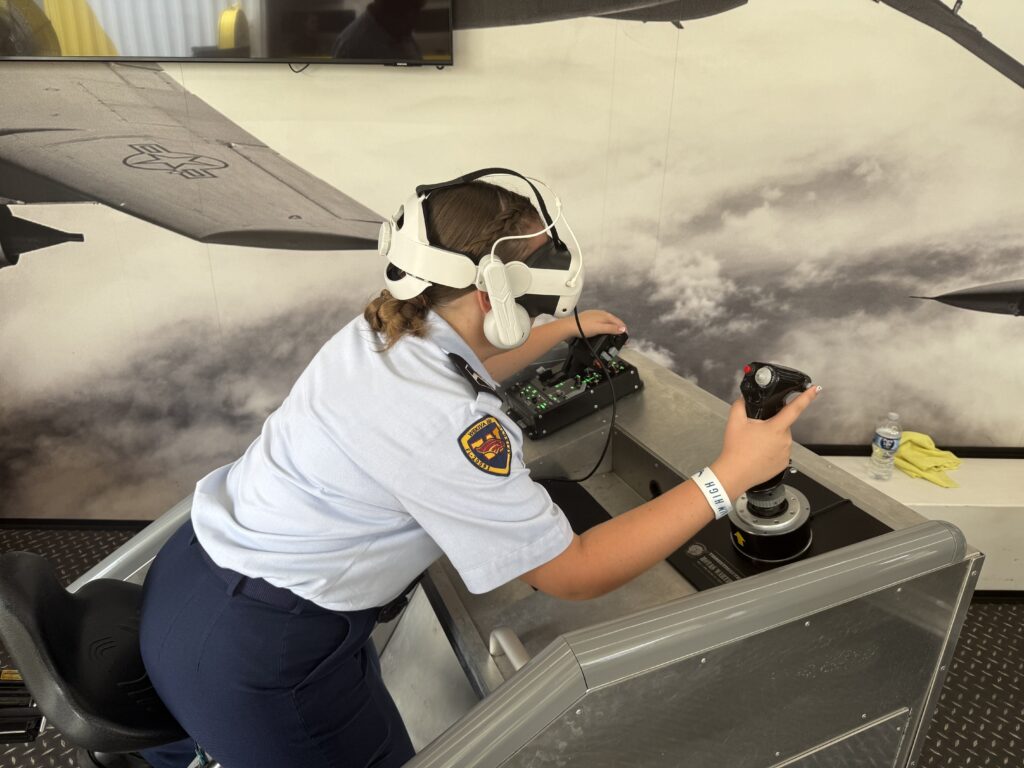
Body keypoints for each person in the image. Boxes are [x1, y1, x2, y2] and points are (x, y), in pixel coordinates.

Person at [138, 172, 819, 768]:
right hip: (263, 656)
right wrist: (729, 476)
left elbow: (455, 365)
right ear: (494, 287)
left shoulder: (379, 331)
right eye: (536, 280)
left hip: (188, 582)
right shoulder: (451, 425)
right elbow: (572, 571)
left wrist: (557, 333)